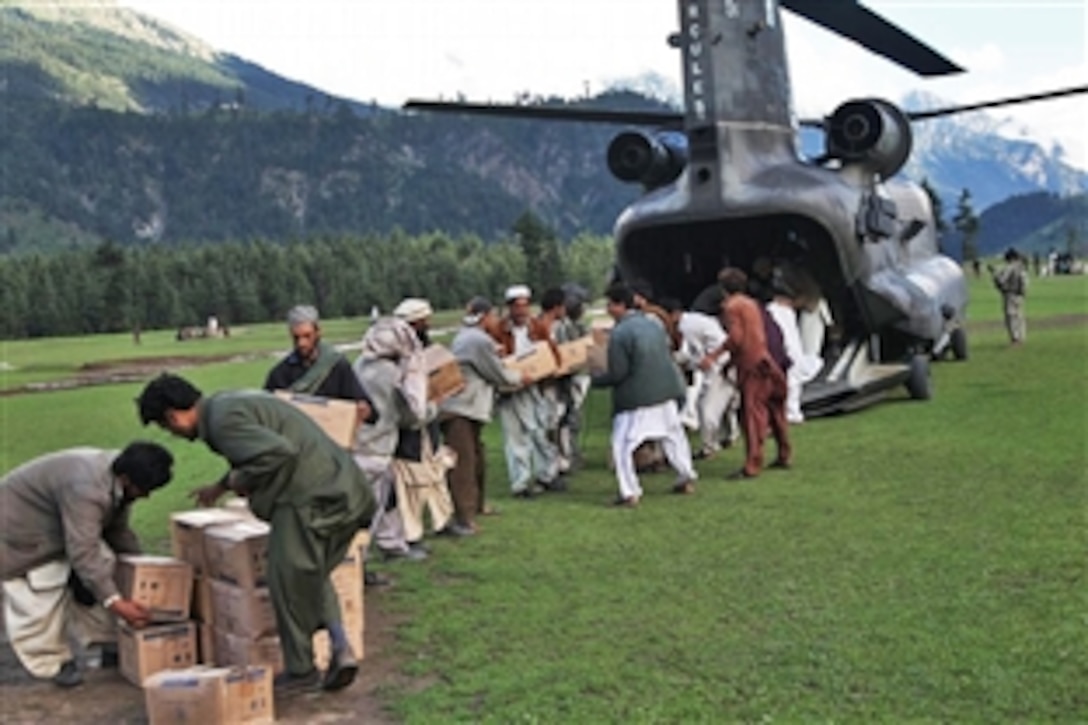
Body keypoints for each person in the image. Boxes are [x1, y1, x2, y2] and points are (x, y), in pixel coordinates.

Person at [136, 374, 376, 694]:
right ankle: (340, 646)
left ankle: (302, 670)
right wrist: (220, 486)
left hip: (311, 500)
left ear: (173, 415)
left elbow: (279, 453)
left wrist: (237, 481)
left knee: (285, 581)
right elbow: (257, 450)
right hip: (346, 489)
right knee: (313, 574)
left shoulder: (221, 424)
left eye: (168, 427)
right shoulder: (227, 404)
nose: (175, 433)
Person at [0, 442, 174, 687]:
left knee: (104, 570)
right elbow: (83, 551)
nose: (147, 496)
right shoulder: (86, 488)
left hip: (61, 527)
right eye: (144, 489)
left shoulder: (118, 478)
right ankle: (52, 664)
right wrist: (115, 602)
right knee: (41, 590)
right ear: (125, 479)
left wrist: (143, 568)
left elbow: (117, 531)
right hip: (21, 530)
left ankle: (108, 641)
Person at [592, 283, 697, 507]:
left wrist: (595, 380)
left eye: (611, 304)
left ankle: (629, 492)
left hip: (637, 399)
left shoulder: (620, 333)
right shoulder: (653, 325)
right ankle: (686, 477)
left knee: (622, 446)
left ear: (620, 305)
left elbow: (618, 373)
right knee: (674, 438)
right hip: (666, 391)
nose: (609, 309)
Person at [440, 297, 530, 532]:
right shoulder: (478, 340)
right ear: (484, 316)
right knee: (464, 464)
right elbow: (496, 373)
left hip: (468, 409)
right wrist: (521, 378)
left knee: (477, 458)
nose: (495, 321)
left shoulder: (467, 337)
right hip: (461, 409)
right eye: (492, 316)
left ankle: (476, 506)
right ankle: (463, 518)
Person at [702, 268, 791, 480]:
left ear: (723, 288)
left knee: (752, 415)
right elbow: (753, 336)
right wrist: (731, 362)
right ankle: (784, 453)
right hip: (766, 360)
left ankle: (752, 465)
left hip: (751, 366)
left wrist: (714, 356)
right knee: (776, 409)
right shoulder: (751, 304)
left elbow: (737, 338)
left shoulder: (731, 306)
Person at [489, 285, 567, 497]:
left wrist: (545, 371)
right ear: (510, 308)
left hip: (536, 388)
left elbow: (553, 355)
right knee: (515, 438)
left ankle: (547, 474)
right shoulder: (498, 331)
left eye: (525, 306)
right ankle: (520, 483)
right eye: (518, 307)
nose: (522, 311)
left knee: (540, 432)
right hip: (511, 390)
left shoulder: (537, 328)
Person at [662, 299, 739, 458]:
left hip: (719, 365)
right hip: (725, 362)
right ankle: (730, 436)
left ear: (674, 314)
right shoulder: (694, 320)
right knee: (725, 405)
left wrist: (677, 361)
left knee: (706, 408)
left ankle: (709, 447)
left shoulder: (686, 326)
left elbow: (696, 356)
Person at [765, 284, 823, 424]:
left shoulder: (784, 311)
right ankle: (790, 413)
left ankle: (792, 412)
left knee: (792, 382)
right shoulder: (774, 311)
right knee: (790, 382)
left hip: (791, 350)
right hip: (786, 350)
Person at [988, 249, 1028, 345]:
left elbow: (1002, 280)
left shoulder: (1010, 268)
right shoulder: (1021, 267)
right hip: (1019, 295)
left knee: (1011, 317)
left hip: (1010, 294)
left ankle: (1015, 339)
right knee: (1019, 316)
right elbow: (1024, 282)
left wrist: (995, 275)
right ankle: (1021, 337)